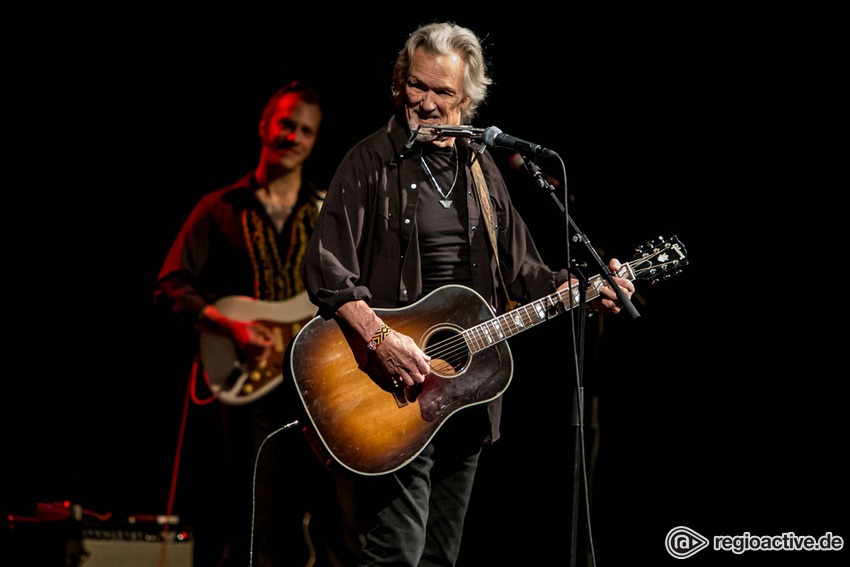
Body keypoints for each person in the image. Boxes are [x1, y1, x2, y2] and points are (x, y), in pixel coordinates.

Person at [300, 22, 635, 566]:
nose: (426, 104)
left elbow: (528, 274)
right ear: (398, 85)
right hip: (392, 390)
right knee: (395, 556)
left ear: (468, 103)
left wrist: (585, 289)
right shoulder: (368, 163)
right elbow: (326, 269)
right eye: (417, 87)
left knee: (439, 558)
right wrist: (380, 337)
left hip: (464, 392)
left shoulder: (483, 172)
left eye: (442, 93)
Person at [155, 82, 356, 566]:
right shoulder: (220, 206)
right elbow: (171, 283)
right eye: (286, 124)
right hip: (250, 392)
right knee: (254, 521)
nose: (294, 136)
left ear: (314, 141)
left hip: (320, 385)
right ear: (265, 126)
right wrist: (230, 327)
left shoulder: (329, 212)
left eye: (306, 131)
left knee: (340, 520)